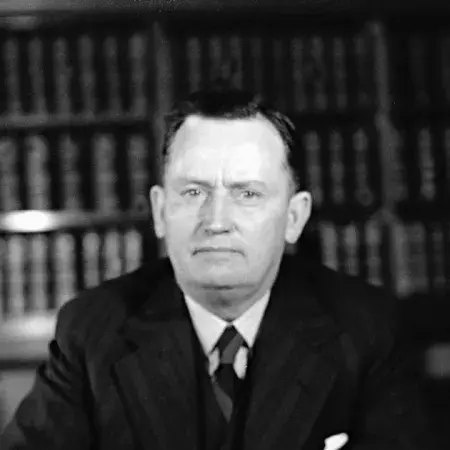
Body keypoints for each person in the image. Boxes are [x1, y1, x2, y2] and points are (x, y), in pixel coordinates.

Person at [0, 88, 441, 450]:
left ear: (294, 217)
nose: (215, 220)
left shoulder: (368, 329)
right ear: (159, 210)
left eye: (247, 194)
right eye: (193, 192)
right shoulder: (92, 330)